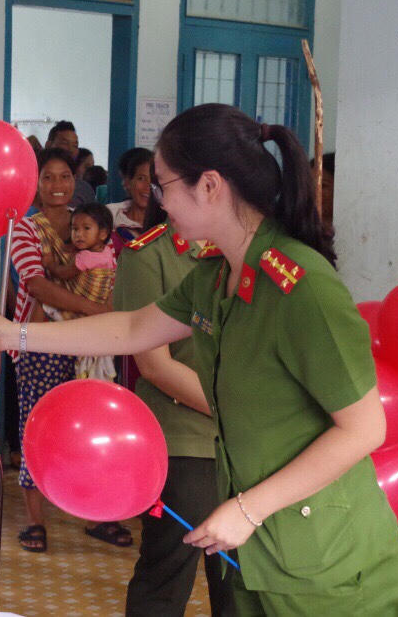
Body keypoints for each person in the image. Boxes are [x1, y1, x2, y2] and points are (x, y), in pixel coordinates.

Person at [0, 103, 398, 615]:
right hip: (261, 548)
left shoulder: (303, 291)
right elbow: (132, 327)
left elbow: (365, 427)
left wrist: (247, 509)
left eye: (166, 184)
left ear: (210, 186)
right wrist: (14, 332)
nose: (160, 200)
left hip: (325, 559)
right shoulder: (219, 275)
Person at [7, 148, 127, 552]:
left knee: (92, 429)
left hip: (90, 345)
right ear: (34, 184)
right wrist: (96, 311)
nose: (57, 185)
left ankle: (98, 514)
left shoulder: (91, 222)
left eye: (64, 177)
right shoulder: (25, 230)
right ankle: (36, 520)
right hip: (42, 343)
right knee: (38, 425)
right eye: (47, 178)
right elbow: (37, 286)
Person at [118, 197, 231, 617]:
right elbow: (154, 364)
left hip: (246, 442)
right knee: (167, 574)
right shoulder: (149, 256)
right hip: (184, 441)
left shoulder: (244, 253)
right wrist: (236, 411)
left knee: (241, 581)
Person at [40, 202, 117, 381]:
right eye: (75, 229)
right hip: (103, 315)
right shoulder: (106, 252)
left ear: (103, 233)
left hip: (88, 310)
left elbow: (64, 274)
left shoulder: (85, 257)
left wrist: (50, 264)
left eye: (86, 228)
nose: (79, 234)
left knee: (46, 304)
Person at [107, 147, 153, 256]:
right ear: (127, 182)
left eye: (154, 180)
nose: (148, 187)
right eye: (141, 178)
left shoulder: (169, 223)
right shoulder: (109, 215)